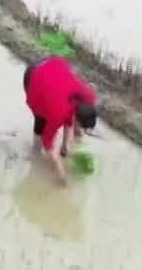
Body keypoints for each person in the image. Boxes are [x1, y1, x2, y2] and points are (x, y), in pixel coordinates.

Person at [22, 55, 98, 184]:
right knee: (40, 121)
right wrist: (61, 174)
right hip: (34, 76)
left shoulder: (89, 96)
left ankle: (65, 143)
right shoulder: (58, 112)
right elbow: (48, 145)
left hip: (52, 66)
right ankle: (34, 153)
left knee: (61, 117)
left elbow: (69, 120)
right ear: (77, 118)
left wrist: (65, 146)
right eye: (79, 127)